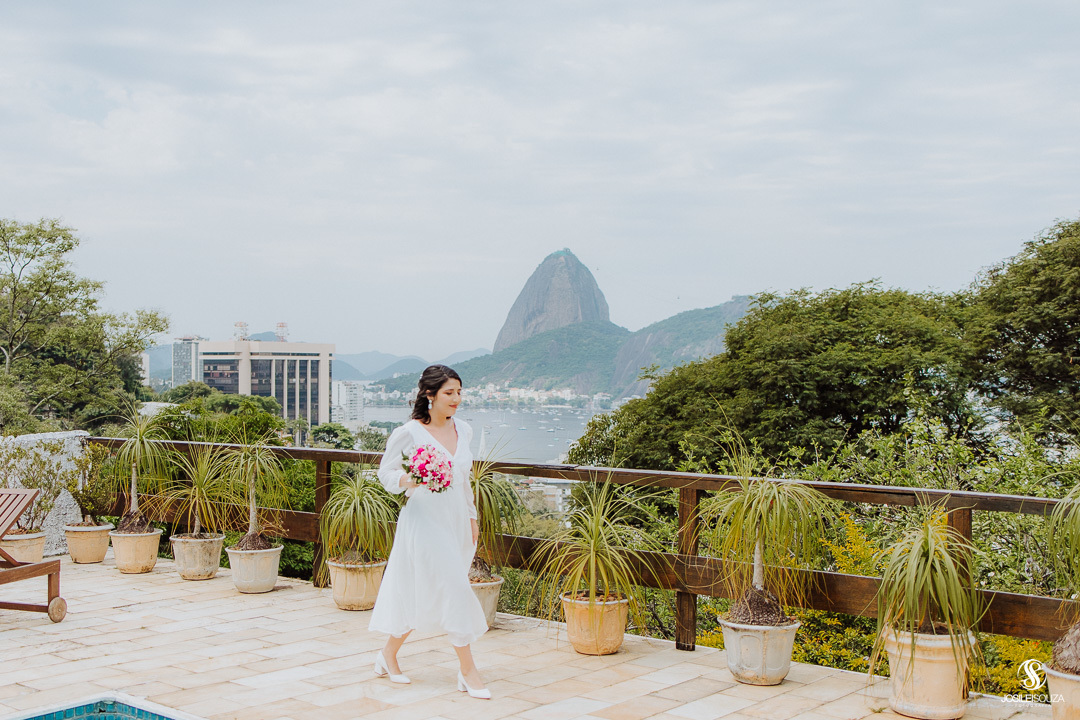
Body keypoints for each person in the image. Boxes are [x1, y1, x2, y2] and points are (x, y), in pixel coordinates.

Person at [368, 364, 491, 699]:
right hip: (423, 519)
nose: (456, 399)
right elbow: (386, 473)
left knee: (422, 589)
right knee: (455, 587)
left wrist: (472, 517)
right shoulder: (409, 432)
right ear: (429, 394)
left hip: (455, 519)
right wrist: (411, 479)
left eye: (459, 392)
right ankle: (468, 671)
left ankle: (387, 654)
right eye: (449, 393)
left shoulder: (464, 430)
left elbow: (464, 480)